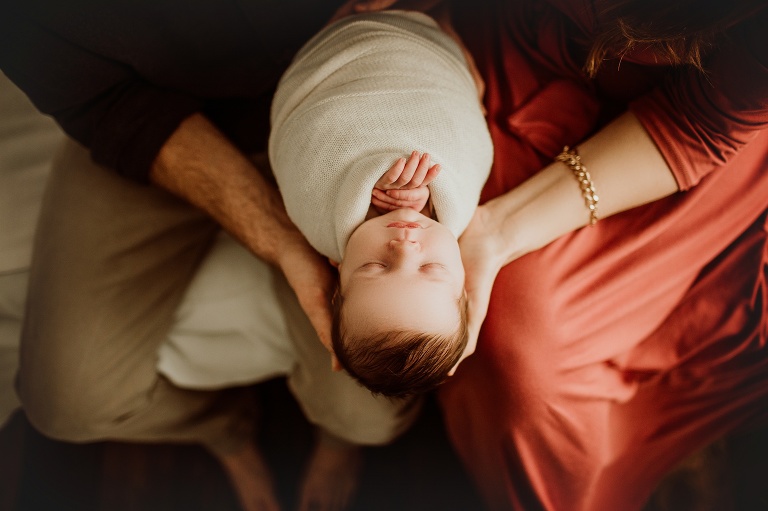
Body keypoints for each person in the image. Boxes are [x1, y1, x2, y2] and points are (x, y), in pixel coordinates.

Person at [0, 1, 437, 510]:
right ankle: (227, 430)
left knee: (366, 415)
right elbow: (104, 104)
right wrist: (285, 246)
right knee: (63, 405)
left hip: (328, 116)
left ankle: (337, 442)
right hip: (145, 124)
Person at [433, 0, 768, 509]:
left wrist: (498, 230)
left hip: (679, 133)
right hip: (517, 52)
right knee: (501, 341)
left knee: (520, 345)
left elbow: (700, 124)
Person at [268, 9, 493, 398]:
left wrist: (365, 176)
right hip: (428, 56)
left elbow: (306, 146)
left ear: (337, 271)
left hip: (342, 50)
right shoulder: (459, 214)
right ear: (466, 283)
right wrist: (431, 198)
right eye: (432, 267)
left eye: (376, 266)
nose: (405, 246)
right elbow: (463, 151)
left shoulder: (317, 223)